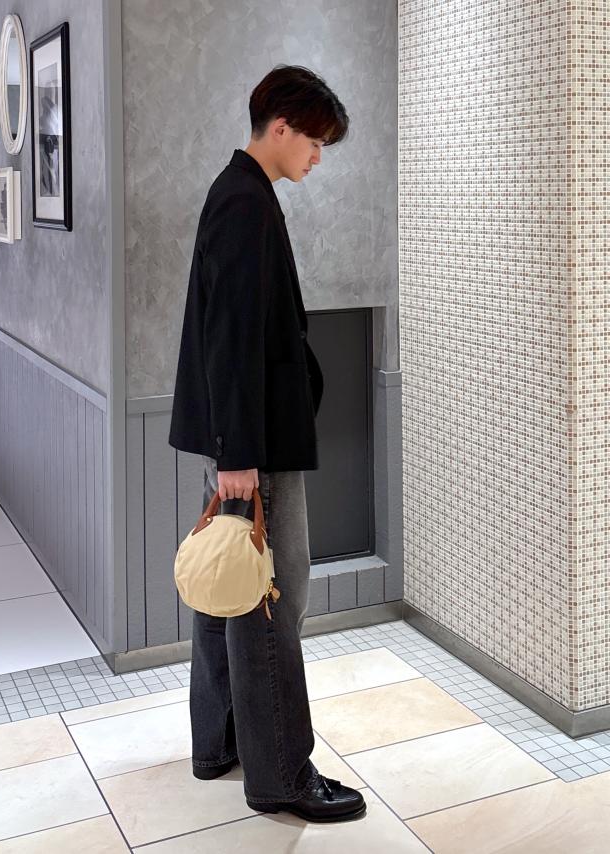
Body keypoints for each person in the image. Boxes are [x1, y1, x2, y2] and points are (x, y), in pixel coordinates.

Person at [168, 64, 366, 823]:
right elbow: (231, 336)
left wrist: (231, 448)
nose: (317, 156)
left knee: (231, 585)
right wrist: (240, 454)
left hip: (242, 439)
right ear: (280, 126)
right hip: (254, 445)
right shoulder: (245, 202)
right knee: (270, 600)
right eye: (314, 141)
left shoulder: (240, 193)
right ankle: (283, 773)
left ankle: (219, 742)